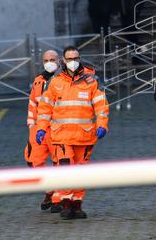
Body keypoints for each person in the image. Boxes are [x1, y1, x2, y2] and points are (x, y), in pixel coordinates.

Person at [35, 45, 109, 219]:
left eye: (76, 58)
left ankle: (77, 204)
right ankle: (66, 203)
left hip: (84, 135)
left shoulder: (91, 81)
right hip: (61, 136)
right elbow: (45, 108)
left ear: (79, 59)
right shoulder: (56, 83)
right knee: (66, 169)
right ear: (63, 60)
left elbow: (101, 105)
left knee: (81, 172)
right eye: (70, 59)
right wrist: (40, 128)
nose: (73, 62)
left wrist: (102, 124)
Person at [25, 49, 60, 211]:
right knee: (33, 161)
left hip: (57, 128)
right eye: (46, 60)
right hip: (39, 129)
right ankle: (49, 189)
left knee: (60, 162)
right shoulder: (38, 81)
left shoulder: (64, 80)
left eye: (52, 59)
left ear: (59, 61)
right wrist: (31, 124)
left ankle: (58, 197)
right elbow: (33, 103)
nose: (49, 63)